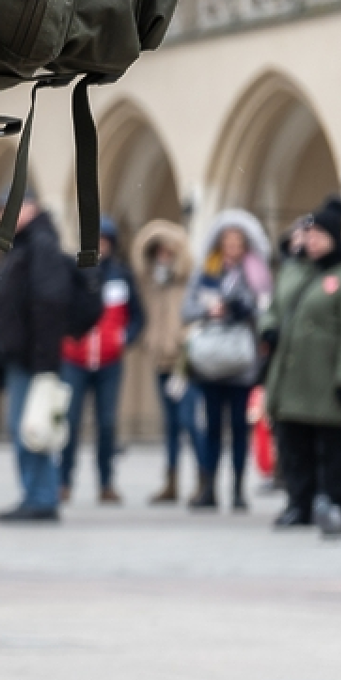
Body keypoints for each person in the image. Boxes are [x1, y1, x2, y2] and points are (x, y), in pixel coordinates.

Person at [262, 195, 341, 535]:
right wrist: (267, 326)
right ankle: (299, 504)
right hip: (292, 377)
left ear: (333, 237)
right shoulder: (295, 270)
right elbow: (274, 306)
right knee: (294, 445)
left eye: (317, 235)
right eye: (307, 235)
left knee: (330, 447)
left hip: (327, 378)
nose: (310, 241)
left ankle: (335, 502)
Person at [0, 193, 78, 523]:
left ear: (31, 207)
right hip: (22, 354)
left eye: (10, 208)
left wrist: (43, 359)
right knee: (28, 425)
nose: (4, 216)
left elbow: (49, 303)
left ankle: (40, 497)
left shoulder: (41, 245)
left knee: (30, 427)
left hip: (31, 357)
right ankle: (37, 495)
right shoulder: (23, 245)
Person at [183, 212, 270, 512]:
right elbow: (188, 309)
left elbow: (265, 309)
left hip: (241, 362)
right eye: (227, 241)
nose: (232, 246)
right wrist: (211, 311)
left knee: (238, 427)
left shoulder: (254, 272)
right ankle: (208, 487)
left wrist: (242, 308)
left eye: (238, 241)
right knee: (211, 428)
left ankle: (237, 488)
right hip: (210, 360)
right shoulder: (207, 271)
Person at [59, 218, 144, 504]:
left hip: (109, 361)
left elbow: (137, 317)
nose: (99, 246)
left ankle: (106, 482)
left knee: (106, 424)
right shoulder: (72, 271)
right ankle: (63, 482)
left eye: (104, 241)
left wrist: (124, 338)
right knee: (69, 422)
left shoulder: (121, 276)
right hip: (75, 358)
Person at [133, 220, 193, 504]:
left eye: (170, 252)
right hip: (160, 360)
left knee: (189, 422)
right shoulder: (151, 283)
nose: (164, 258)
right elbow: (138, 252)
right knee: (169, 425)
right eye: (160, 252)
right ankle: (171, 481)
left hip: (184, 362)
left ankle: (204, 480)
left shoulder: (187, 282)